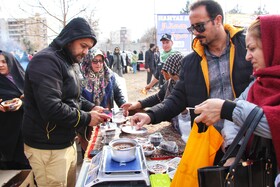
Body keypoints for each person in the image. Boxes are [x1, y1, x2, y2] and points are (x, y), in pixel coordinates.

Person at [130, 0, 253, 163]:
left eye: (199, 26)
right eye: (192, 28)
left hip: (252, 138)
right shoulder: (191, 62)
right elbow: (176, 99)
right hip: (211, 145)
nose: (195, 32)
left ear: (217, 20)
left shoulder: (248, 47)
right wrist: (150, 115)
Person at [22, 17, 111, 187]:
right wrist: (87, 118)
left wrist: (92, 107)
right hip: (47, 147)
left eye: (89, 48)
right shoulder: (46, 61)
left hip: (66, 141)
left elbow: (74, 97)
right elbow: (51, 107)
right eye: (83, 46)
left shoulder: (71, 61)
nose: (86, 52)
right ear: (69, 39)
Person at [194, 15, 280, 184]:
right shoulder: (257, 84)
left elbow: (273, 122)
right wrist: (235, 151)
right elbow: (234, 117)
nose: (248, 57)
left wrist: (227, 109)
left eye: (253, 49)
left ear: (273, 46)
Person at [124, 52, 191, 143]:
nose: (163, 73)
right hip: (175, 127)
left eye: (167, 70)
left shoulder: (190, 86)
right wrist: (138, 104)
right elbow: (158, 98)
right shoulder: (170, 83)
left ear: (175, 71)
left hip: (189, 132)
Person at [78, 48, 127, 152]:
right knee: (90, 151)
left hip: (106, 118)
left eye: (101, 61)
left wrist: (123, 105)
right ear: (88, 60)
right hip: (88, 119)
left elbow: (117, 93)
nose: (98, 64)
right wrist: (92, 107)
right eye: (94, 61)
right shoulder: (80, 77)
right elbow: (77, 98)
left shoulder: (109, 75)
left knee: (106, 146)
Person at [0, 50, 30, 170]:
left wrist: (22, 102)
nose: (0, 65)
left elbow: (36, 98)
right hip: (6, 131)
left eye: (4, 61)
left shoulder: (23, 77)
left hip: (26, 129)